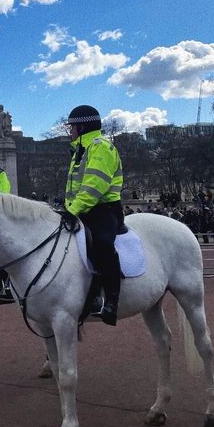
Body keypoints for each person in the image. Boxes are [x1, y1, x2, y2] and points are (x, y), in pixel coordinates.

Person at [63, 105, 124, 327]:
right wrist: (65, 208)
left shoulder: (100, 147)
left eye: (72, 127)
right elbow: (73, 188)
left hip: (103, 210)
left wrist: (72, 210)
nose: (70, 131)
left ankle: (111, 301)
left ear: (82, 126)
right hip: (82, 209)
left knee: (101, 243)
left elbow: (93, 187)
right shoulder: (80, 149)